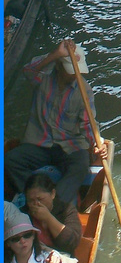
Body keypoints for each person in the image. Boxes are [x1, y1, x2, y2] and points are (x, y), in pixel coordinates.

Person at [4, 40, 107, 207]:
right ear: (59, 67)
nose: (75, 75)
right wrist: (56, 54)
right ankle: (31, 197)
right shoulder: (43, 79)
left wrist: (96, 142)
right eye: (71, 71)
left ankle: (56, 205)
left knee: (80, 166)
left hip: (69, 146)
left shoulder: (84, 89)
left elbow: (88, 123)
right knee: (10, 160)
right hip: (40, 144)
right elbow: (28, 70)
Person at [24, 173, 81, 257]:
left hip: (62, 259)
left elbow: (71, 242)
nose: (36, 204)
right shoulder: (23, 214)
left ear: (53, 194)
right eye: (31, 200)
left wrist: (48, 218)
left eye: (40, 199)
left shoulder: (67, 210)